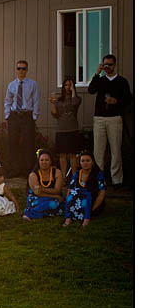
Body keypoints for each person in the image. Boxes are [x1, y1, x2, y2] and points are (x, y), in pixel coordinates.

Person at [87, 54, 133, 187]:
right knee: (98, 151)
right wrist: (96, 73)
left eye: (110, 65)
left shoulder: (122, 81)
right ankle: (98, 179)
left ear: (115, 65)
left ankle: (117, 180)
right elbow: (91, 90)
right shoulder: (100, 80)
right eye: (105, 65)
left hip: (115, 118)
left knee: (115, 150)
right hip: (99, 118)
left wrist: (116, 101)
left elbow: (128, 100)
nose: (108, 67)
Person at [4, 60, 41, 177]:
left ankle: (28, 170)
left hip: (27, 115)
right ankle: (14, 170)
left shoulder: (32, 84)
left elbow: (36, 101)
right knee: (13, 143)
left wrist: (34, 116)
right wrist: (7, 115)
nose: (21, 71)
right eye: (19, 68)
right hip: (14, 115)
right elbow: (8, 101)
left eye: (23, 68)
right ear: (16, 70)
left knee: (28, 143)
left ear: (27, 70)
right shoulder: (11, 85)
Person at [63, 150, 106, 227]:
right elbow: (70, 189)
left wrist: (91, 209)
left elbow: (101, 194)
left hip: (92, 201)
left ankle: (86, 219)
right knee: (72, 194)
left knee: (87, 195)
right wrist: (68, 203)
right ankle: (68, 219)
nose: (85, 163)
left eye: (88, 161)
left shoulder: (98, 174)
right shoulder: (77, 173)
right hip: (79, 200)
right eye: (83, 161)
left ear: (93, 162)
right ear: (80, 163)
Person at [50, 78, 82, 179]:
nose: (67, 87)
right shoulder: (59, 100)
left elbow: (74, 104)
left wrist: (73, 91)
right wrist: (53, 104)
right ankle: (63, 177)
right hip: (61, 129)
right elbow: (55, 115)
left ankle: (74, 177)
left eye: (70, 85)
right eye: (66, 85)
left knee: (72, 155)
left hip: (72, 129)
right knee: (62, 155)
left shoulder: (77, 98)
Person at [22, 149, 64, 220]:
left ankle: (38, 212)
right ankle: (31, 213)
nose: (44, 162)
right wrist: (55, 196)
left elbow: (57, 190)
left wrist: (42, 189)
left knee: (57, 204)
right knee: (52, 204)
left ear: (51, 162)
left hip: (53, 197)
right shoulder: (33, 175)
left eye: (46, 160)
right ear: (38, 162)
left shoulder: (57, 172)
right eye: (42, 160)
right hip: (36, 197)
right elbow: (38, 193)